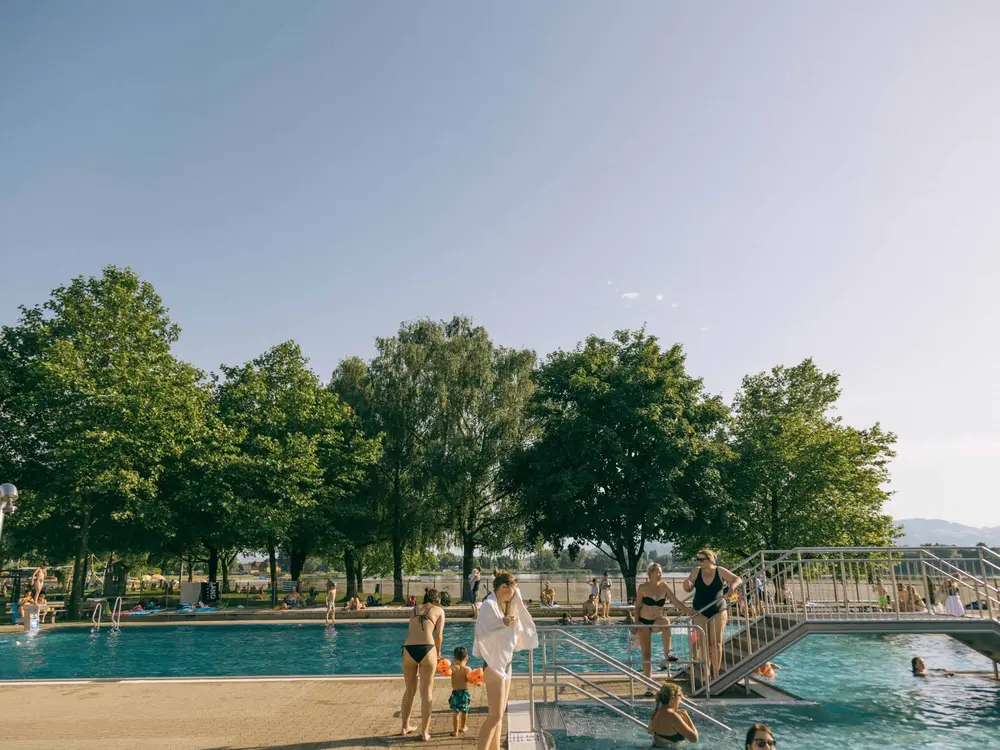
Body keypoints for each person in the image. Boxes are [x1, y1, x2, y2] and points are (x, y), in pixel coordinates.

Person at [474, 571, 537, 750]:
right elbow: (484, 630)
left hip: (506, 664)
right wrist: (503, 622)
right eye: (512, 589)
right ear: (503, 587)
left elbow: (511, 619)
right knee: (494, 716)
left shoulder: (503, 605)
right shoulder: (489, 605)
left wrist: (508, 614)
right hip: (493, 665)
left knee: (500, 714)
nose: (515, 594)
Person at [683, 549, 742, 681]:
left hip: (718, 609)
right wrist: (687, 584)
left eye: (701, 559)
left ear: (710, 560)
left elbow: (737, 579)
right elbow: (688, 588)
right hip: (700, 610)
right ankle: (706, 672)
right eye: (697, 559)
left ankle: (716, 673)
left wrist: (732, 586)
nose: (699, 562)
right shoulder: (696, 571)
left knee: (716, 643)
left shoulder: (720, 571)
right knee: (703, 642)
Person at [636, 563, 693, 686]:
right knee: (647, 654)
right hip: (644, 622)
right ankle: (648, 682)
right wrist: (636, 624)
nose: (660, 574)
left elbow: (676, 602)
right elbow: (637, 607)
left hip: (657, 621)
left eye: (661, 572)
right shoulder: (643, 587)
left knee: (666, 622)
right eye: (658, 572)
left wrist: (689, 611)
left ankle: (667, 655)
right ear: (650, 573)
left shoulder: (664, 586)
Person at [400, 589, 446, 741]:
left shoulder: (414, 610)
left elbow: (411, 630)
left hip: (408, 649)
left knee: (409, 690)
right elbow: (439, 636)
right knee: (426, 693)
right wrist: (438, 653)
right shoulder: (439, 611)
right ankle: (425, 732)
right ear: (438, 600)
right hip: (427, 648)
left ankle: (405, 727)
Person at [449, 646, 474, 736]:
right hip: (465, 694)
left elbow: (445, 671)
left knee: (456, 712)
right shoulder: (468, 669)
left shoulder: (452, 668)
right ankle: (463, 727)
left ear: (454, 658)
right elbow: (472, 680)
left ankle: (455, 731)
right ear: (466, 658)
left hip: (455, 693)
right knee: (464, 711)